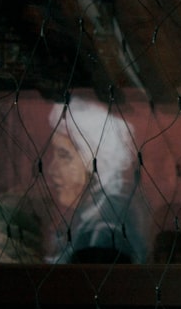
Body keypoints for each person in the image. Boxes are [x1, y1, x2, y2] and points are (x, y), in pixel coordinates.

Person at [43, 95, 150, 264]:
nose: (51, 170)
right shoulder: (94, 215)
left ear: (97, 162)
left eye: (64, 156)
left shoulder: (105, 230)